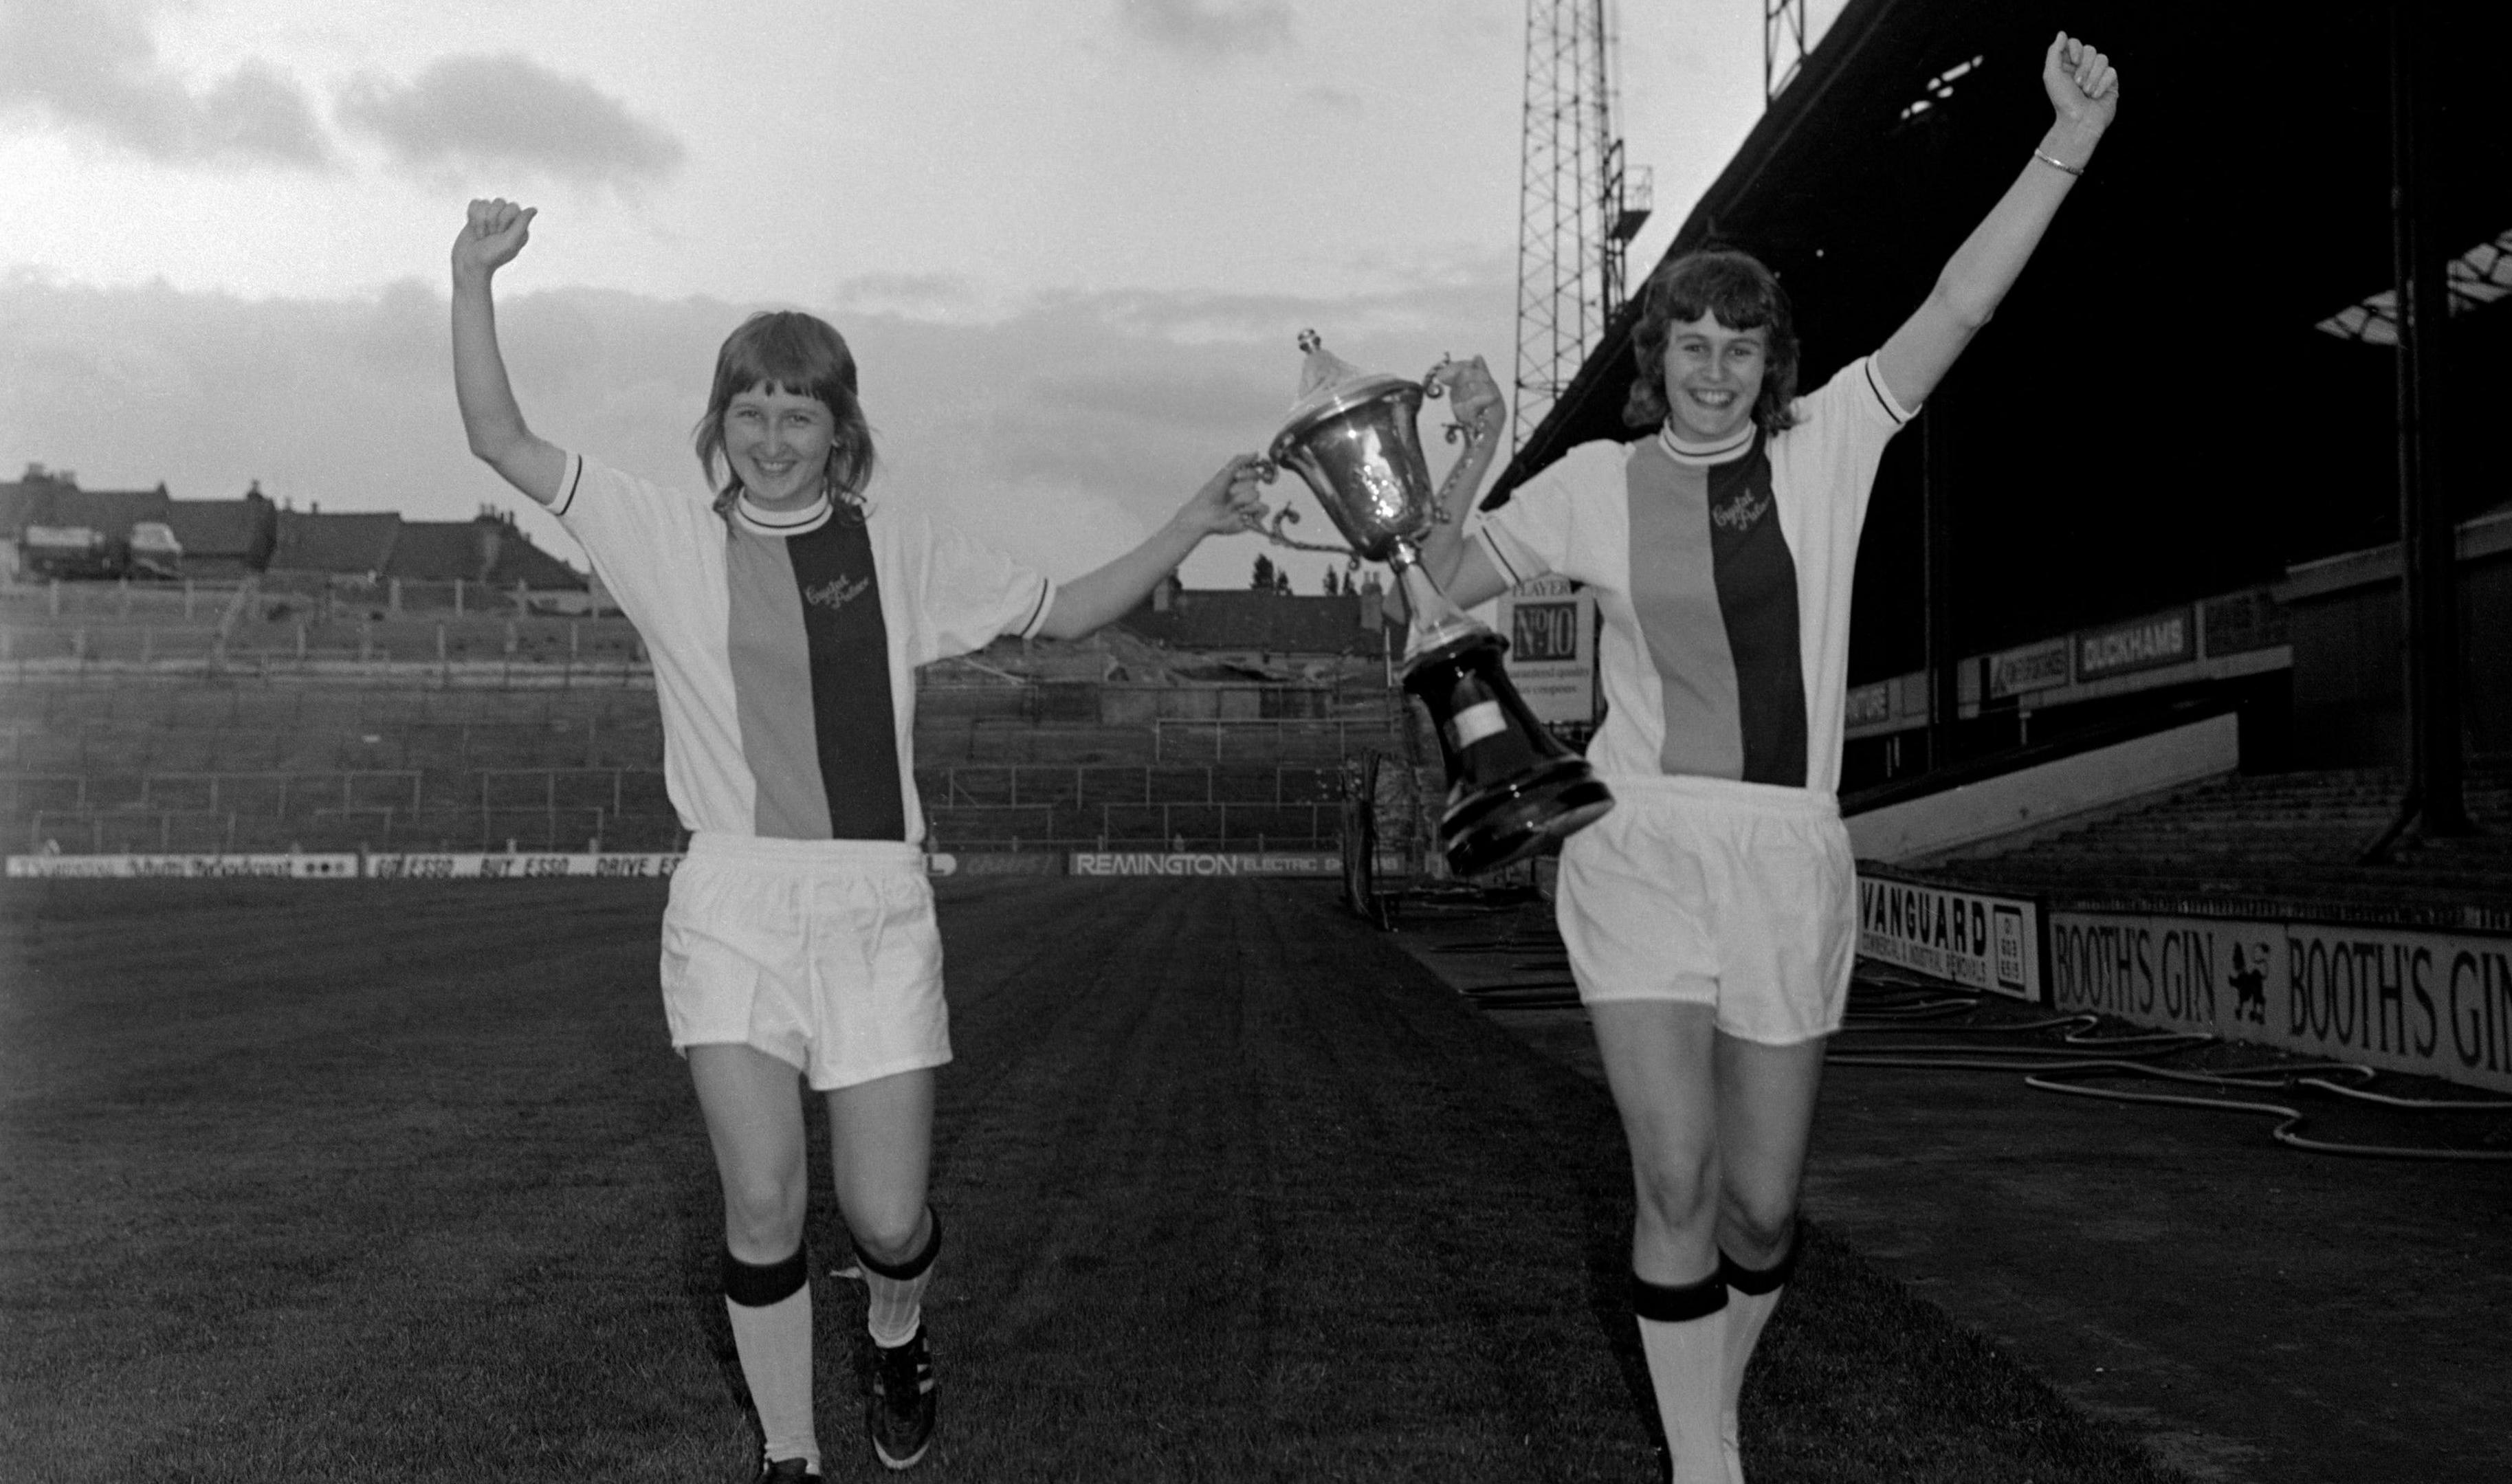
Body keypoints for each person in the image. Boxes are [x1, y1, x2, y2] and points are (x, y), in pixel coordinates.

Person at [449, 200, 1266, 1481]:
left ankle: (898, 1329)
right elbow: (498, 436)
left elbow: (1062, 613)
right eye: (750, 412)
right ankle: (789, 1455)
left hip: (876, 901)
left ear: (842, 433)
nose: (772, 439)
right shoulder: (662, 535)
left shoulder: (899, 549)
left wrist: (1188, 522)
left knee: (887, 1221)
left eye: (800, 415)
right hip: (730, 898)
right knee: (766, 1202)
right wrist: (471, 277)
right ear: (718, 425)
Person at [1424, 34, 2120, 1484]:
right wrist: (1472, 442)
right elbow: (1432, 582)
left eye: (1743, 345)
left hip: (1789, 854)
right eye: (1693, 342)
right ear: (1656, 357)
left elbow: (1961, 302)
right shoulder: (1592, 487)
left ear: (1771, 362)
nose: (1718, 369)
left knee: (1756, 1212)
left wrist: (2067, 142)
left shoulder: (1832, 443)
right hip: (1640, 845)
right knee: (1670, 1179)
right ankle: (1704, 1465)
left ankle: (1709, 1403)